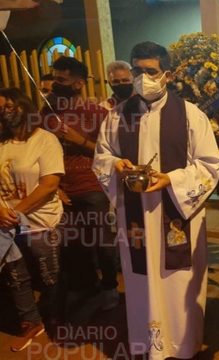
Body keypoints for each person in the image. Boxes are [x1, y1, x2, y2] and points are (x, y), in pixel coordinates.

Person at [93, 41, 219, 360]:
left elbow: (209, 164)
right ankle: (147, 345)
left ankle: (181, 346)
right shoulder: (117, 117)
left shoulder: (191, 115)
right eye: (137, 70)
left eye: (150, 71)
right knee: (140, 284)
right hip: (136, 217)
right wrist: (115, 165)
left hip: (176, 214)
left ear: (167, 74)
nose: (142, 77)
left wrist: (170, 180)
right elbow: (102, 156)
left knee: (176, 284)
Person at [40, 56, 119, 318]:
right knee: (72, 244)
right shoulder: (47, 114)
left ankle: (110, 285)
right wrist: (54, 187)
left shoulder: (98, 113)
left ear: (79, 84)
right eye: (54, 79)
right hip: (61, 189)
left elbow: (113, 153)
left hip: (93, 187)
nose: (55, 85)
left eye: (62, 80)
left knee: (102, 241)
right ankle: (86, 286)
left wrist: (81, 141)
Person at [0, 88, 64, 349]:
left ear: (24, 108)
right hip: (5, 224)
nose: (5, 112)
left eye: (10, 106)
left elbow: (50, 184)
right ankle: (32, 323)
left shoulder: (45, 140)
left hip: (39, 220)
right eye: (1, 108)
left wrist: (17, 211)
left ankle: (57, 321)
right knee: (16, 277)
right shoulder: (1, 142)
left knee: (50, 277)